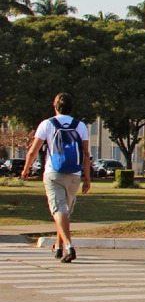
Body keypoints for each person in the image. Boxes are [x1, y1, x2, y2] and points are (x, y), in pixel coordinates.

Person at [21, 93, 91, 263]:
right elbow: (86, 154)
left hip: (53, 173)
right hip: (74, 175)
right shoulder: (80, 126)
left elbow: (33, 150)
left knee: (60, 211)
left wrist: (26, 169)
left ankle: (69, 246)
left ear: (55, 106)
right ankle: (59, 248)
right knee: (65, 212)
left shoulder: (47, 124)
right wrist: (87, 178)